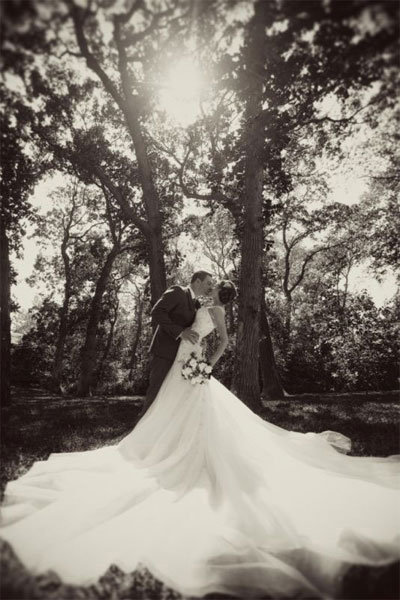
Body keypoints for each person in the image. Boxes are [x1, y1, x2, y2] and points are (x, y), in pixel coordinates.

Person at [1, 279, 399, 600]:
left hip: (194, 366)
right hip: (178, 361)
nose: (212, 293)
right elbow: (177, 325)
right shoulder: (192, 305)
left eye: (215, 290)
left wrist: (206, 365)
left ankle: (188, 455)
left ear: (218, 293)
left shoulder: (217, 313)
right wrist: (190, 345)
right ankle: (153, 445)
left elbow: (221, 342)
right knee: (165, 407)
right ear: (202, 288)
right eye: (209, 289)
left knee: (198, 415)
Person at [142, 270, 214, 416]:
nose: (210, 287)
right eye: (208, 283)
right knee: (156, 390)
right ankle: (141, 427)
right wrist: (181, 332)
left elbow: (194, 327)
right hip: (165, 351)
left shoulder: (198, 304)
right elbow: (157, 312)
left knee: (172, 394)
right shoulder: (178, 292)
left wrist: (200, 340)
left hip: (184, 355)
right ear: (197, 281)